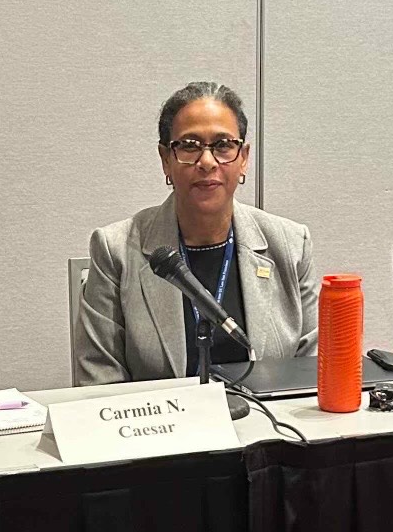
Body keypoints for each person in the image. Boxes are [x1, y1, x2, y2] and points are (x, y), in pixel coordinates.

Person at [75, 81, 318, 384]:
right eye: (189, 146)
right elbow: (100, 386)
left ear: (243, 158)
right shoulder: (116, 250)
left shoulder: (291, 244)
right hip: (161, 428)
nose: (206, 162)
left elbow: (314, 374)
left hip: (269, 427)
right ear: (166, 159)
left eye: (222, 145)